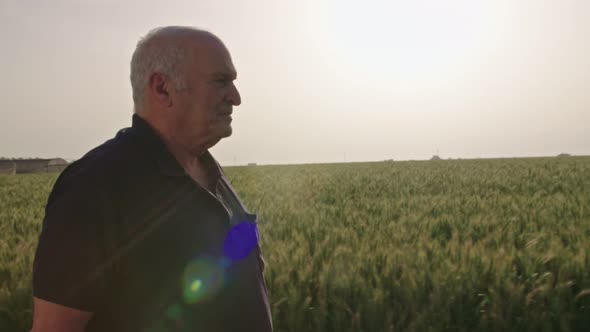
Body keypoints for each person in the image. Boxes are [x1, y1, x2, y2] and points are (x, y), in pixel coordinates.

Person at [31, 26, 272, 332]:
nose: (235, 98)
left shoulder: (211, 173)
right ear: (162, 88)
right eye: (220, 81)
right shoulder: (95, 186)